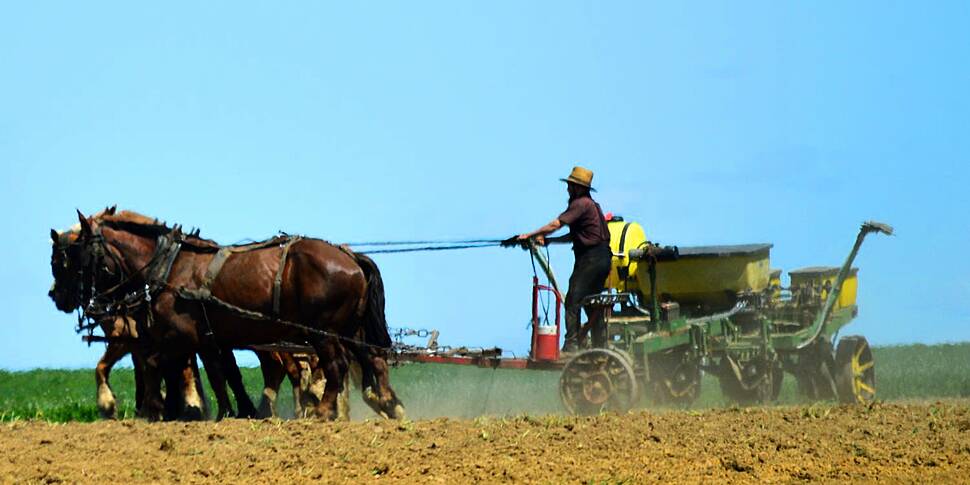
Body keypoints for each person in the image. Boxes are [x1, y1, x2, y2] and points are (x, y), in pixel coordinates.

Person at [517, 166, 612, 353]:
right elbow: (576, 236)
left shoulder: (580, 204)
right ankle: (601, 346)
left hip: (591, 259)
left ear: (579, 188)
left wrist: (529, 234)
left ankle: (571, 346)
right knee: (591, 302)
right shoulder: (592, 206)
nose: (568, 189)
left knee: (573, 301)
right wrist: (549, 241)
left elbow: (556, 224)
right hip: (603, 259)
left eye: (571, 186)